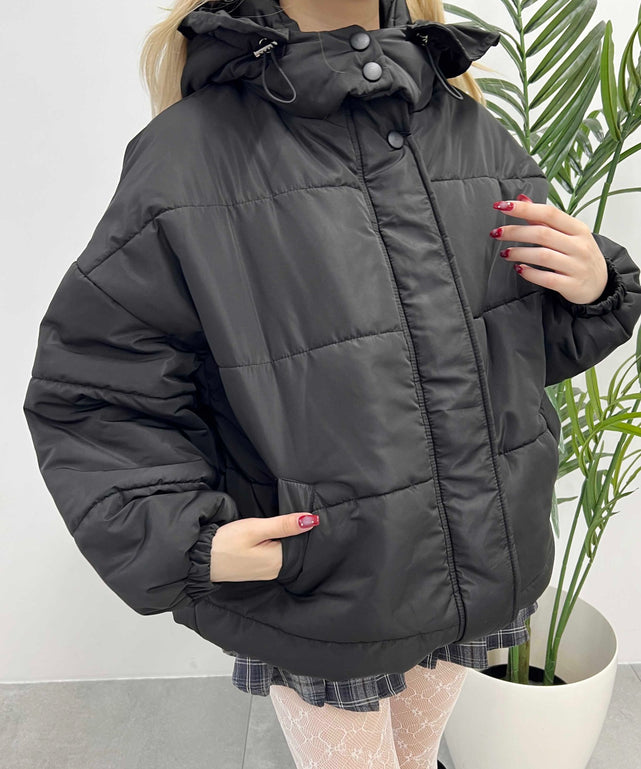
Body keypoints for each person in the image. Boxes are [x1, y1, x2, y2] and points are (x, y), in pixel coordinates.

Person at [22, 0, 641, 767]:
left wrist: (592, 288)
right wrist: (183, 535)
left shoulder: (466, 130)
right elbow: (96, 387)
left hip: (476, 562)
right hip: (325, 582)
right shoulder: (190, 155)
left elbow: (502, 346)